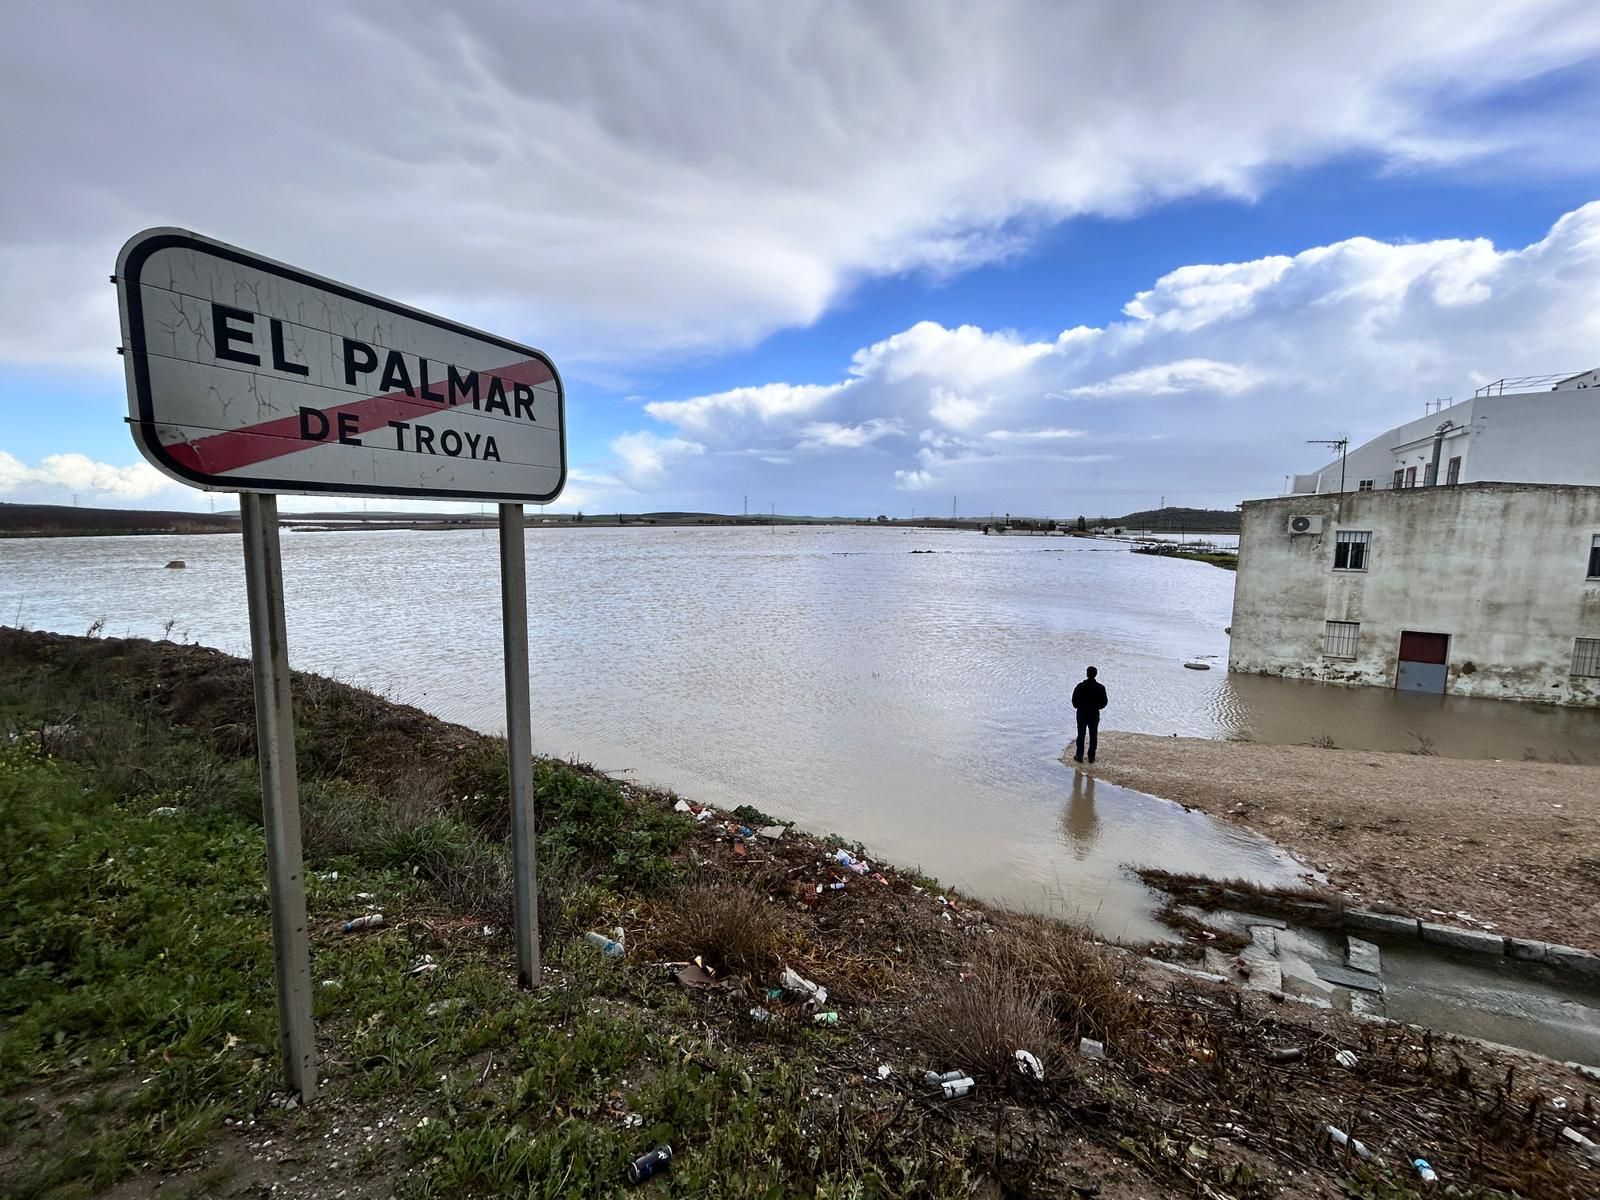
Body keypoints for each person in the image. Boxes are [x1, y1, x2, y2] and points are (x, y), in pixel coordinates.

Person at [1071, 666, 1108, 763]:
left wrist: (1079, 706)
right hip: (1094, 713)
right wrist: (1097, 707)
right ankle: (1091, 757)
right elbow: (1104, 702)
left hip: (1082, 713)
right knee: (1093, 735)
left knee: (1081, 734)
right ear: (1096, 674)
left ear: (1087, 674)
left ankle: (1079, 756)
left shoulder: (1080, 686)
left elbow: (1074, 701)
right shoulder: (1100, 688)